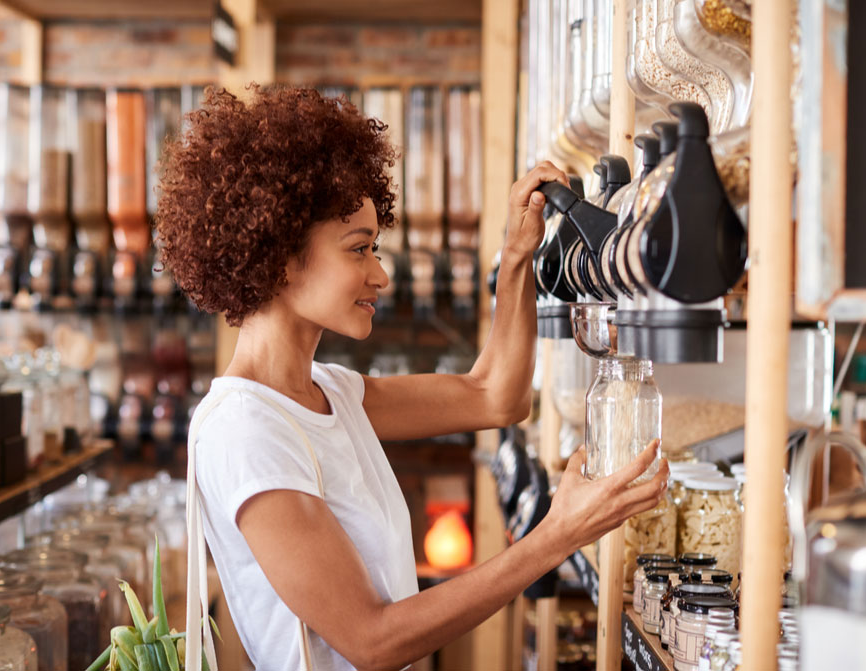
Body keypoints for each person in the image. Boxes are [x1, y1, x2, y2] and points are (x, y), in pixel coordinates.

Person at [155, 85, 668, 671]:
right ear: (279, 257)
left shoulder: (331, 394)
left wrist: (517, 253)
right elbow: (372, 640)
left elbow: (494, 396)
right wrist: (556, 537)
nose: (381, 275)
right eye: (359, 250)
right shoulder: (247, 432)